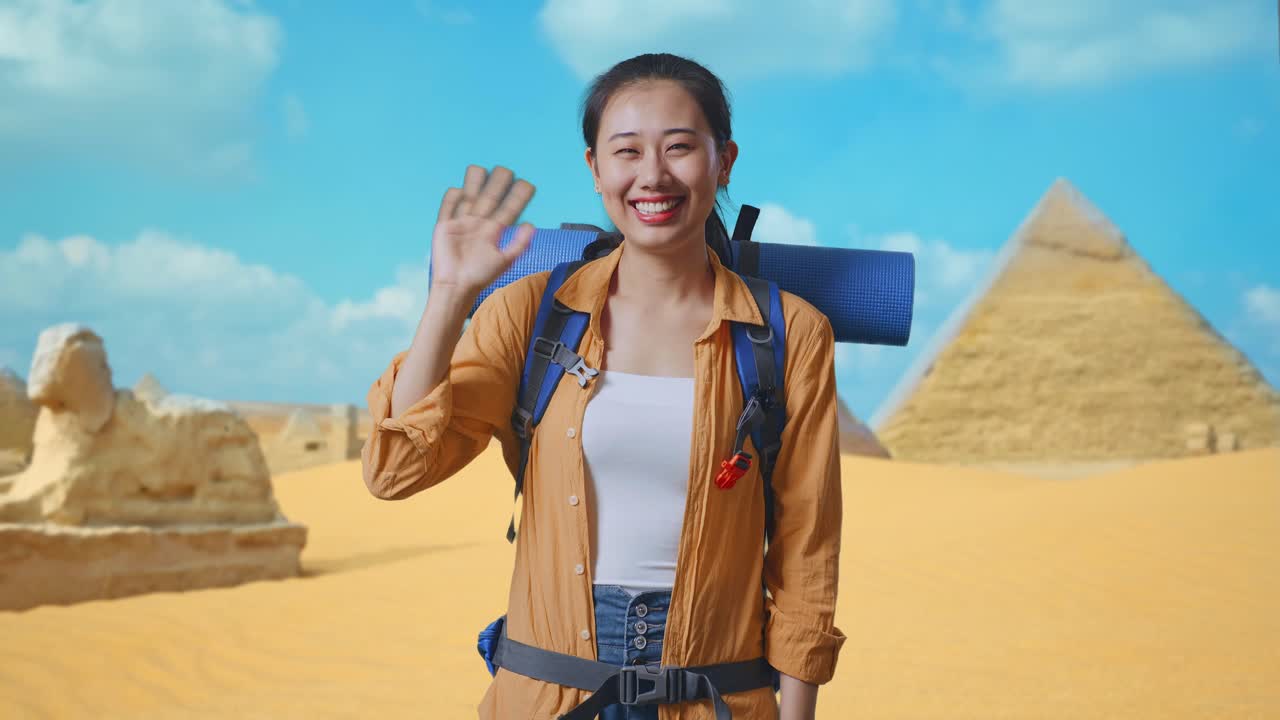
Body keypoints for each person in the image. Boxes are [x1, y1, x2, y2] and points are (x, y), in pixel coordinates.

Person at [362, 53, 846, 720]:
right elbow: (394, 471)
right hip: (547, 698)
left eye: (680, 147)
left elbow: (807, 547)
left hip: (717, 699)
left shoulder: (791, 334)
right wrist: (450, 295)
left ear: (724, 161)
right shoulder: (528, 313)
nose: (653, 175)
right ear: (595, 169)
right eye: (627, 151)